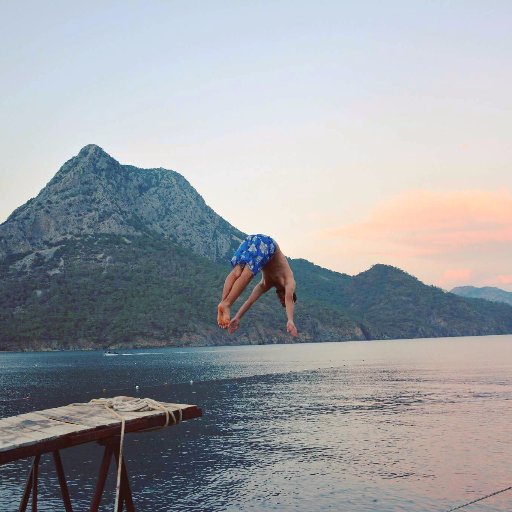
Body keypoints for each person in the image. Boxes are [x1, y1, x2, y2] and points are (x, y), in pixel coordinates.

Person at [217, 234, 298, 337]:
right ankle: (227, 304)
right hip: (268, 244)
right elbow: (289, 299)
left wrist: (237, 317)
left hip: (252, 239)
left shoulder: (265, 284)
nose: (283, 300)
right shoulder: (289, 281)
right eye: (284, 302)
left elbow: (250, 301)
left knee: (237, 272)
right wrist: (290, 320)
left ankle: (223, 303)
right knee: (249, 273)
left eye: (282, 302)